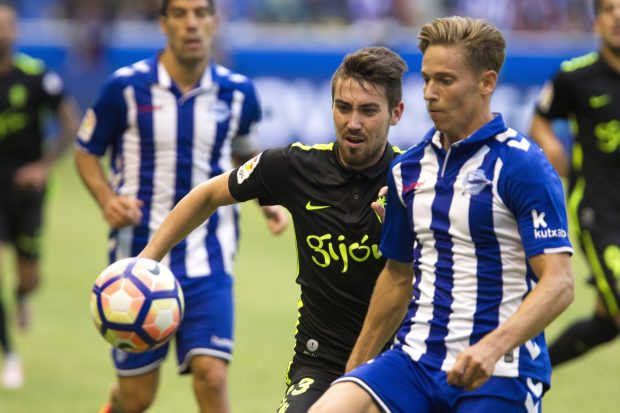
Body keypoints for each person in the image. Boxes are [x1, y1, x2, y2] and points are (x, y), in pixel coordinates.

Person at [309, 16, 575, 413]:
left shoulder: (523, 166)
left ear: (486, 83)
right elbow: (397, 277)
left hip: (499, 372)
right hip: (414, 362)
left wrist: (492, 347)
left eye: (445, 81)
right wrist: (355, 368)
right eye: (427, 80)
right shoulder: (409, 170)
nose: (430, 94)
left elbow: (559, 284)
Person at [135, 46, 407, 412]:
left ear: (397, 113)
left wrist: (405, 230)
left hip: (400, 361)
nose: (353, 123)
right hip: (320, 361)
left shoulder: (417, 179)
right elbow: (206, 196)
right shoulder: (293, 166)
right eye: (344, 107)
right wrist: (146, 261)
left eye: (369, 110)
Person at [74, 1, 286, 412]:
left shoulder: (238, 93)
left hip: (210, 258)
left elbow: (245, 154)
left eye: (201, 13)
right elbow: (86, 151)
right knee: (136, 397)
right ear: (164, 23)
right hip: (136, 261)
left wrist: (266, 203)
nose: (192, 24)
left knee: (212, 375)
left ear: (214, 22)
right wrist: (107, 199)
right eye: (180, 13)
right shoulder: (124, 88)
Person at [530, 0, 620, 367]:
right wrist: (549, 145)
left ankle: (531, 374)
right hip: (599, 212)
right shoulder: (575, 77)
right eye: (609, 11)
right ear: (597, 22)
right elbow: (540, 118)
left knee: (607, 321)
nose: (618, 18)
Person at [0, 0, 79, 389]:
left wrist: (43, 168)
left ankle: (22, 295)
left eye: (7, 25)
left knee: (29, 277)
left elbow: (69, 123)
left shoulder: (35, 77)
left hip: (27, 192)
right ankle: (10, 355)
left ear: (16, 32)